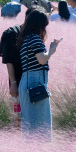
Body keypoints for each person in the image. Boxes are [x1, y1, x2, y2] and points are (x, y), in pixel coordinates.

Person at [17, 10, 62, 139]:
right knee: (41, 126)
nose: (45, 29)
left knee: (29, 125)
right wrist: (52, 49)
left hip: (26, 81)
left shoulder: (25, 39)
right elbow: (42, 59)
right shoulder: (35, 38)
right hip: (35, 82)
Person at [0, 6, 44, 99]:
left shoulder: (33, 34)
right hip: (19, 80)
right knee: (20, 112)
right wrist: (13, 84)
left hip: (35, 82)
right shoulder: (11, 33)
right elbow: (9, 61)